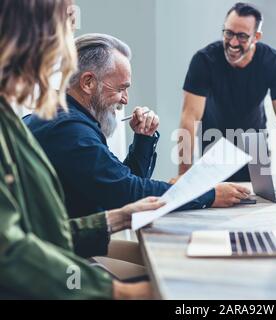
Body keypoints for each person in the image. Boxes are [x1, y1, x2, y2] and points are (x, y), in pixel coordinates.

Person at [0, 0, 163, 299]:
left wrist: (119, 217)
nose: (66, 57)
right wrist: (121, 293)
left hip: (62, 258)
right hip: (55, 273)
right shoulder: (69, 128)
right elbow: (12, 251)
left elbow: (44, 231)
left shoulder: (66, 122)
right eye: (65, 32)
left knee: (159, 263)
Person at [25, 33, 250, 219]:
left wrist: (143, 138)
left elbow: (120, 185)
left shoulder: (67, 117)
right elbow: (126, 192)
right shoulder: (69, 129)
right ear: (88, 82)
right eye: (121, 88)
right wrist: (208, 195)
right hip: (64, 257)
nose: (125, 100)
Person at [173, 2, 276, 185]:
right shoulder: (204, 60)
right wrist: (183, 177)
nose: (233, 42)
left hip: (255, 151)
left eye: (242, 36)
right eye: (229, 33)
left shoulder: (272, 62)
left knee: (259, 206)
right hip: (214, 147)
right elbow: (189, 119)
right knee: (212, 205)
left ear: (256, 37)